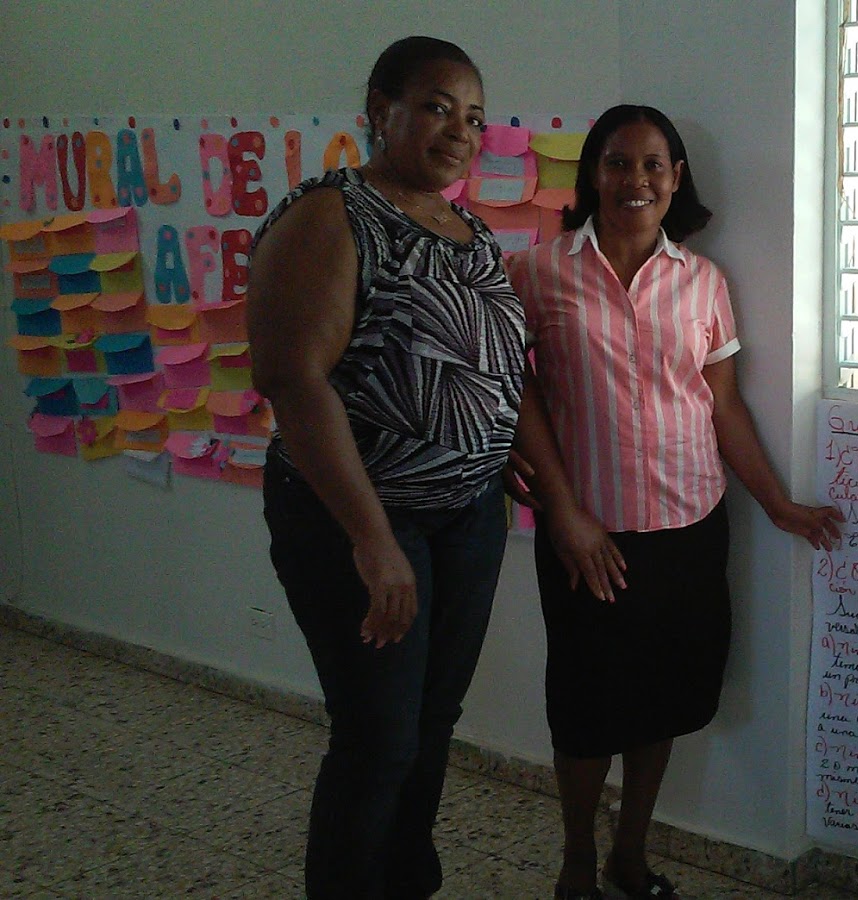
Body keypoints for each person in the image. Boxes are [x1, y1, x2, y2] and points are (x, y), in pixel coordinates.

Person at [504, 104, 845, 900]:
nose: (636, 179)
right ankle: (577, 863)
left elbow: (722, 405)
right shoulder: (536, 272)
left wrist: (778, 504)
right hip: (588, 532)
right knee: (586, 709)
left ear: (676, 177)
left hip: (688, 529)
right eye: (619, 162)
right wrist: (559, 507)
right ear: (593, 173)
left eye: (653, 164)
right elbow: (515, 390)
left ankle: (629, 855)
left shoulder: (703, 281)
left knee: (660, 703)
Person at [247, 37, 523, 899]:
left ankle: (405, 882)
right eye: (438, 107)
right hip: (361, 518)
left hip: (467, 515)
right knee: (378, 739)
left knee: (432, 723)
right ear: (380, 110)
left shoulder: (469, 229)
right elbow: (293, 380)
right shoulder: (331, 216)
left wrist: (497, 452)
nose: (459, 131)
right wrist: (372, 541)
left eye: (473, 117)